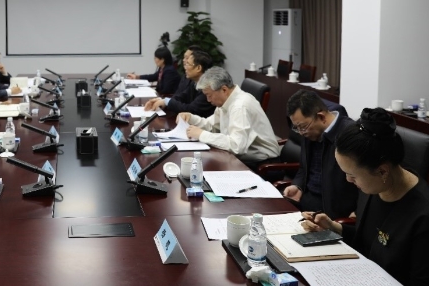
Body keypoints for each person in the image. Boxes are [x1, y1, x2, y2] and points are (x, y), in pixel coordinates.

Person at [301, 108, 429, 285]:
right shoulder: (375, 187)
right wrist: (333, 227)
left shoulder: (422, 216)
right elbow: (368, 241)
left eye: (352, 175)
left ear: (382, 171)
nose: (348, 180)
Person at [177, 67, 280, 170]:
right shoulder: (226, 102)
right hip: (244, 158)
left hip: (264, 166)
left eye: (209, 95)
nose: (208, 100)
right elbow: (211, 125)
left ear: (224, 90)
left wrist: (202, 134)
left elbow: (236, 146)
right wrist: (191, 118)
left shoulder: (240, 106)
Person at [284, 90, 357, 219]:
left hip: (331, 212)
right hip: (305, 202)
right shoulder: (309, 132)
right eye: (297, 128)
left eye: (302, 127)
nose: (301, 132)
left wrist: (358, 211)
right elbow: (304, 168)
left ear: (322, 117)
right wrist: (298, 185)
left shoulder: (350, 135)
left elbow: (365, 180)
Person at [144, 47, 215, 118]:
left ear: (198, 68)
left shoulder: (208, 87)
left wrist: (167, 102)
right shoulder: (194, 83)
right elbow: (181, 97)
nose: (185, 67)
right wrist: (163, 101)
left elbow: (191, 109)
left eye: (188, 64)